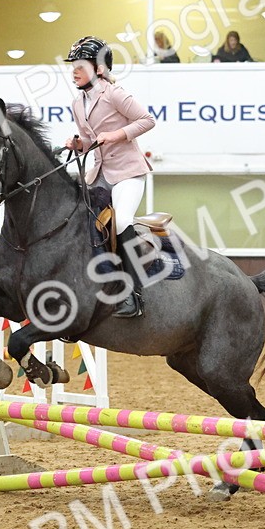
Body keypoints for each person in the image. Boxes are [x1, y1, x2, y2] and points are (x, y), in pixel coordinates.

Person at [63, 36, 157, 318]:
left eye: (80, 65)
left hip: (127, 172)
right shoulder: (77, 103)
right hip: (100, 174)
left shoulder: (115, 93)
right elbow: (93, 141)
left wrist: (115, 135)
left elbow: (147, 120)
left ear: (100, 69)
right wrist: (79, 145)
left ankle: (133, 294)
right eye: (73, 66)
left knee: (123, 221)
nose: (74, 71)